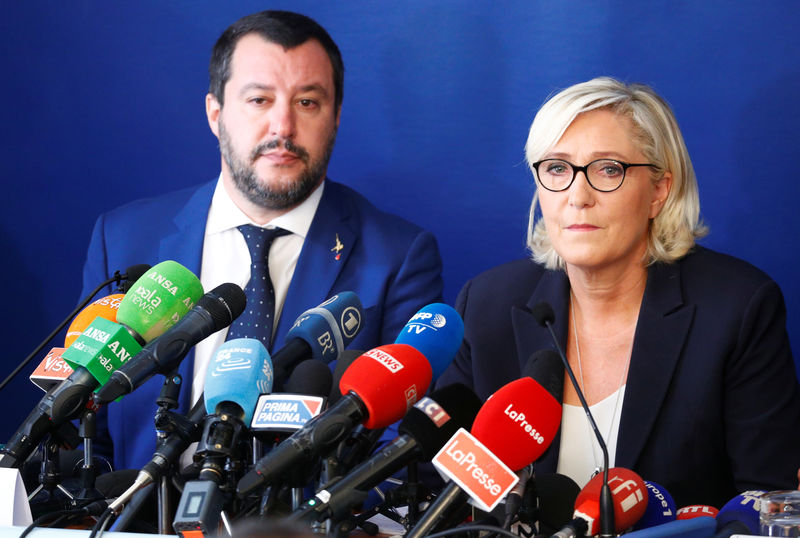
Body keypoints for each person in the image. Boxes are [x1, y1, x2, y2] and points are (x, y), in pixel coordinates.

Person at [80, 10, 443, 471]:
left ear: (335, 118)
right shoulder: (124, 238)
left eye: (307, 102)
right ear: (215, 113)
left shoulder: (397, 256)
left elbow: (398, 449)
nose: (283, 127)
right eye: (259, 100)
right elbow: (86, 421)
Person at [436, 77, 800, 508]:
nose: (578, 195)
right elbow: (442, 481)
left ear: (659, 192)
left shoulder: (737, 309)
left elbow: (767, 505)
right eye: (557, 168)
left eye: (608, 169)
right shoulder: (488, 303)